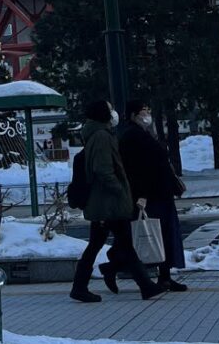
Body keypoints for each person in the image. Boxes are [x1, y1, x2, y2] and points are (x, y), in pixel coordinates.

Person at [70, 100, 166, 303]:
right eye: (110, 109)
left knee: (101, 244)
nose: (113, 113)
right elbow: (103, 169)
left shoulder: (96, 134)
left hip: (103, 201)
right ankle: (145, 285)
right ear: (103, 114)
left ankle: (81, 286)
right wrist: (120, 190)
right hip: (108, 201)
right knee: (121, 243)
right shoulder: (102, 136)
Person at [118, 100, 188, 292]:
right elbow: (138, 169)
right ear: (132, 114)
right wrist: (141, 194)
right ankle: (119, 267)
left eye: (148, 110)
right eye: (143, 111)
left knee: (162, 235)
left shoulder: (143, 133)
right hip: (151, 195)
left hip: (159, 192)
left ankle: (164, 275)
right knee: (156, 234)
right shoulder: (133, 136)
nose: (146, 114)